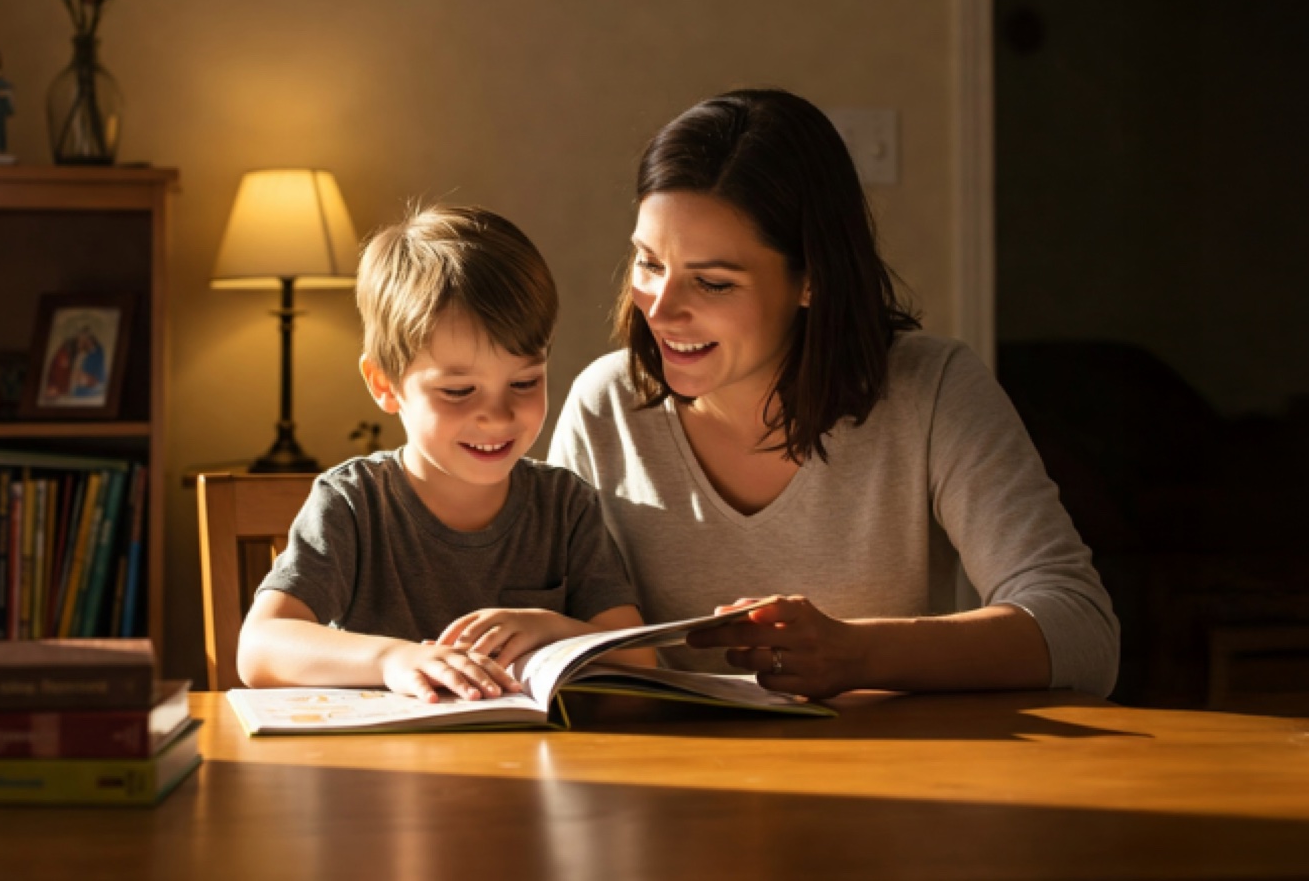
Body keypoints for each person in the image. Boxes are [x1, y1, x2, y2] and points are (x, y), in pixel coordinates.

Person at [548, 88, 1119, 700]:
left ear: (812, 280)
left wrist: (856, 654)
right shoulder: (604, 406)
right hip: (660, 785)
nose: (661, 310)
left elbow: (1081, 633)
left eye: (712, 284)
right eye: (648, 263)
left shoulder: (933, 390)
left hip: (888, 781)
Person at [238, 205, 653, 702]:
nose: (498, 416)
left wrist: (550, 627)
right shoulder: (352, 503)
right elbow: (259, 649)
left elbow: (637, 658)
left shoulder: (564, 505)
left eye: (524, 382)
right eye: (459, 391)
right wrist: (393, 659)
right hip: (386, 770)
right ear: (385, 385)